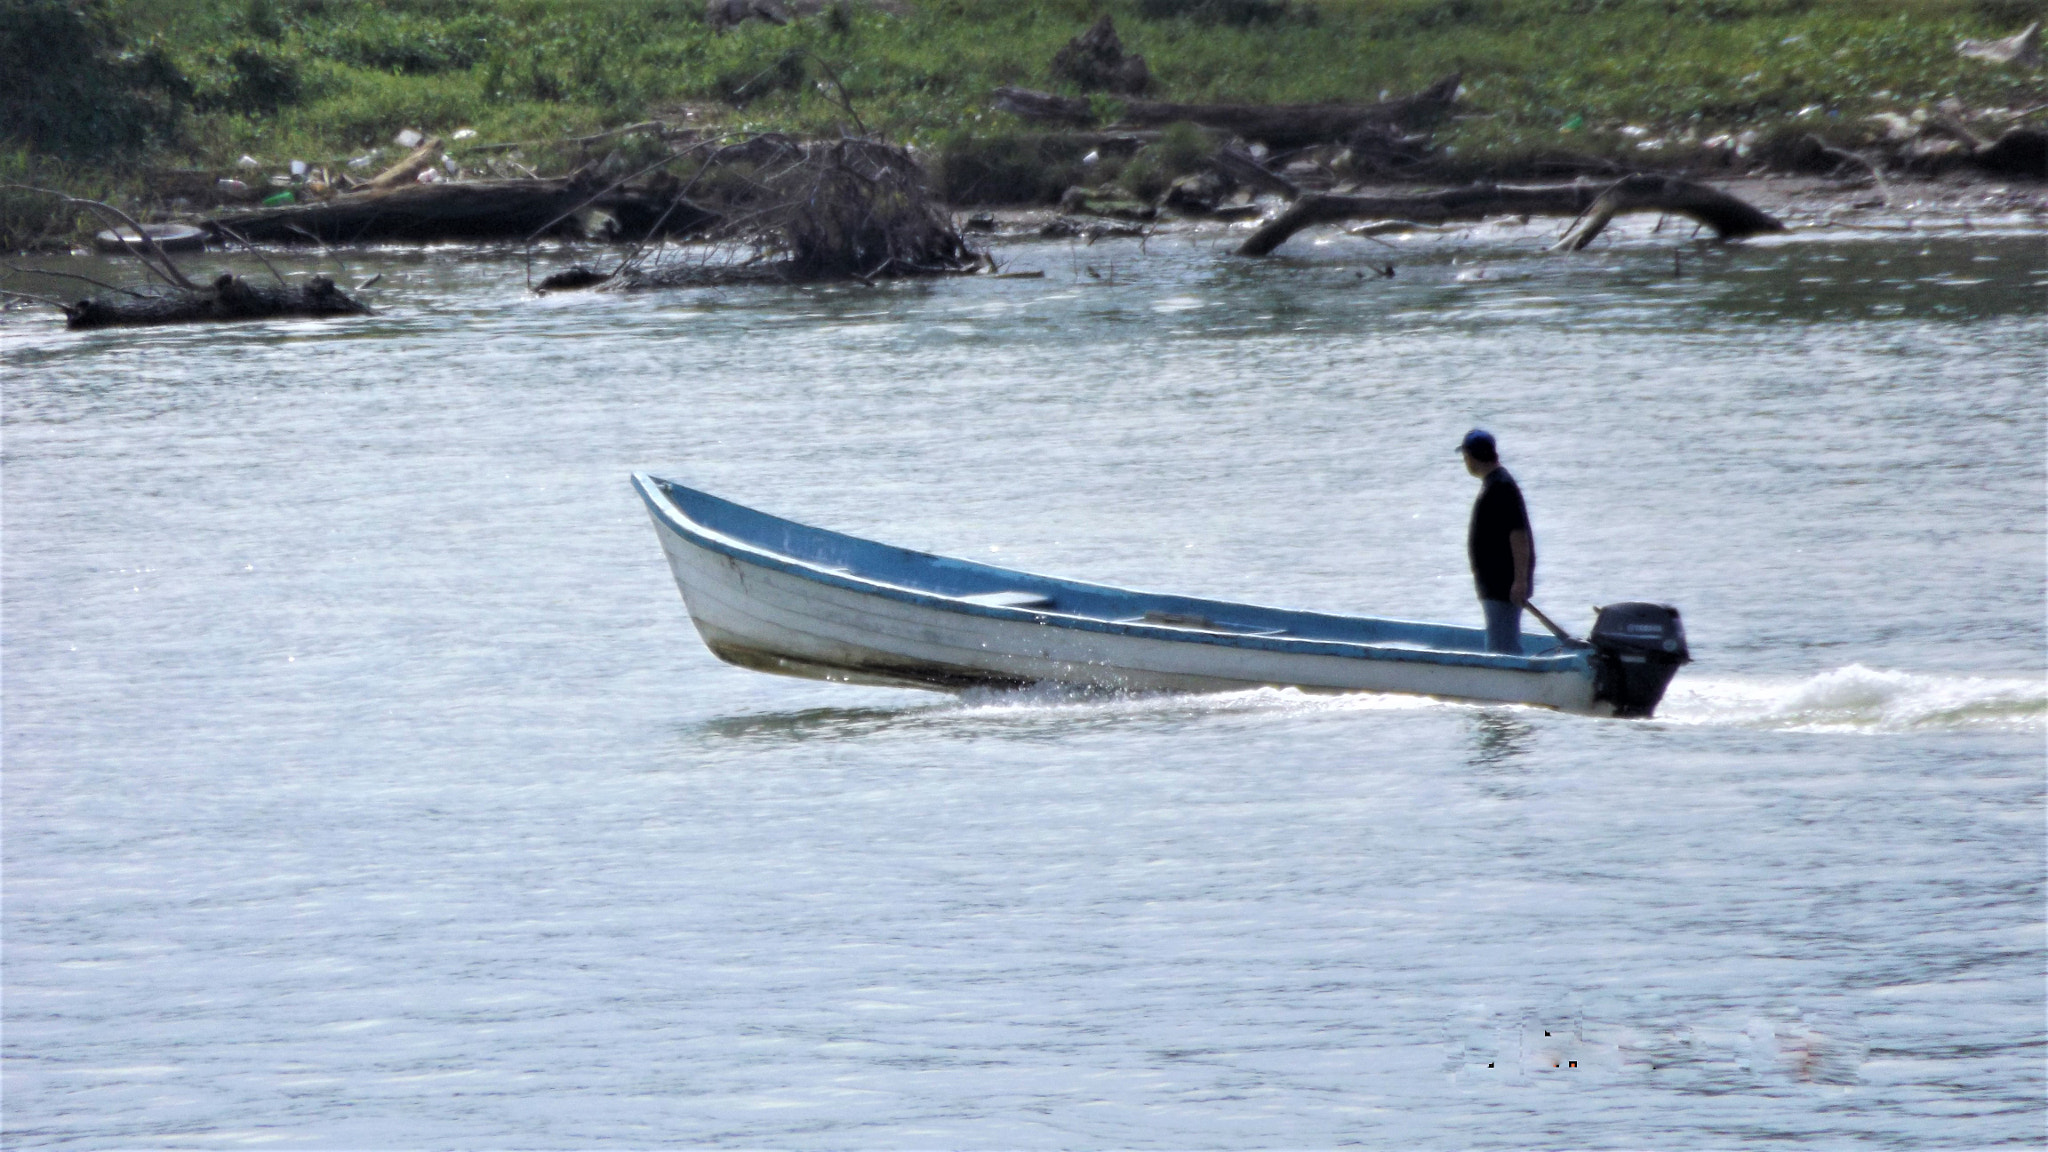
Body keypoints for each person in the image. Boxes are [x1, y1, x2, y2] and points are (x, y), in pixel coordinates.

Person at [1459, 428, 1535, 654]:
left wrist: (1519, 581)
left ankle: (1513, 685)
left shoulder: (1501, 486)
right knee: (1500, 642)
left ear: (1471, 457)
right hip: (1495, 585)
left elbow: (1519, 535)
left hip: (1503, 586)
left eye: (1465, 456)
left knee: (1502, 647)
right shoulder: (1495, 483)